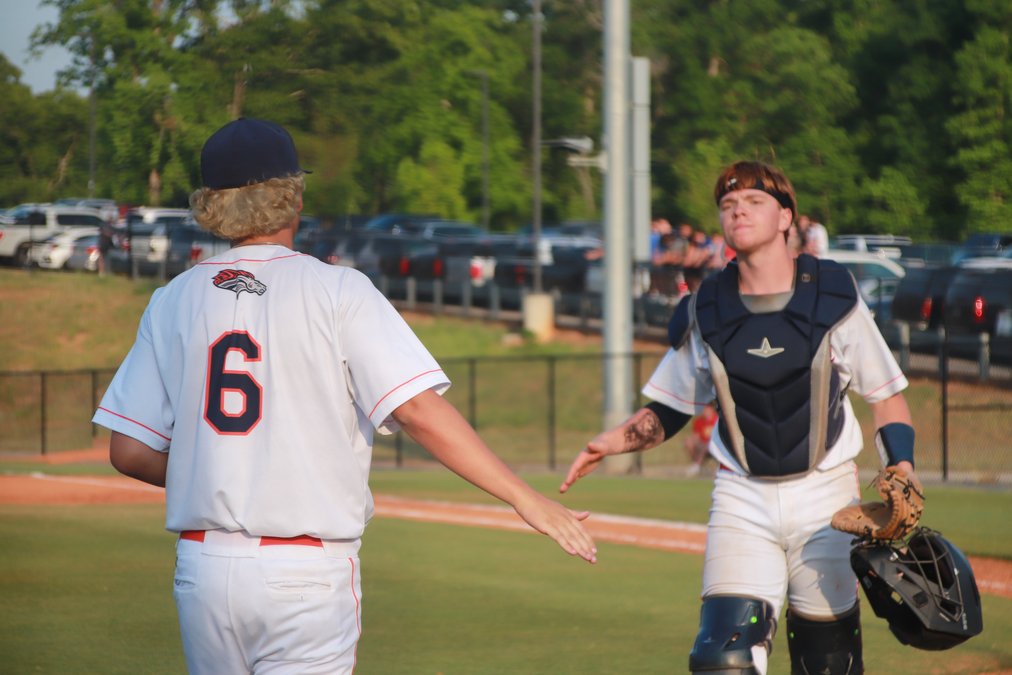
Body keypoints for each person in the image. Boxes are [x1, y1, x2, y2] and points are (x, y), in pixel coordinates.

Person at [93, 117, 597, 675]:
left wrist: (217, 472)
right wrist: (524, 497)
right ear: (293, 196)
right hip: (303, 574)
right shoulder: (338, 290)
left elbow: (128, 451)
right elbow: (417, 409)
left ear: (211, 204)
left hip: (203, 569)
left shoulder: (171, 299)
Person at [560, 160, 918, 674]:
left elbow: (886, 397)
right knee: (722, 657)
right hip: (741, 497)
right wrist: (611, 442)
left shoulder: (831, 295)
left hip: (827, 497)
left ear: (785, 217)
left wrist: (902, 466)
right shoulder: (707, 306)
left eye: (753, 202)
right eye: (728, 205)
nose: (738, 211)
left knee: (828, 663)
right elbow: (671, 408)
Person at [683, 403, 717, 476]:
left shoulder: (717, 420)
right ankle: (698, 466)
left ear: (711, 409)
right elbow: (696, 436)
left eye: (706, 409)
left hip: (715, 445)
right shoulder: (699, 421)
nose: (704, 411)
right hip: (702, 445)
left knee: (706, 445)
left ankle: (697, 465)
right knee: (689, 442)